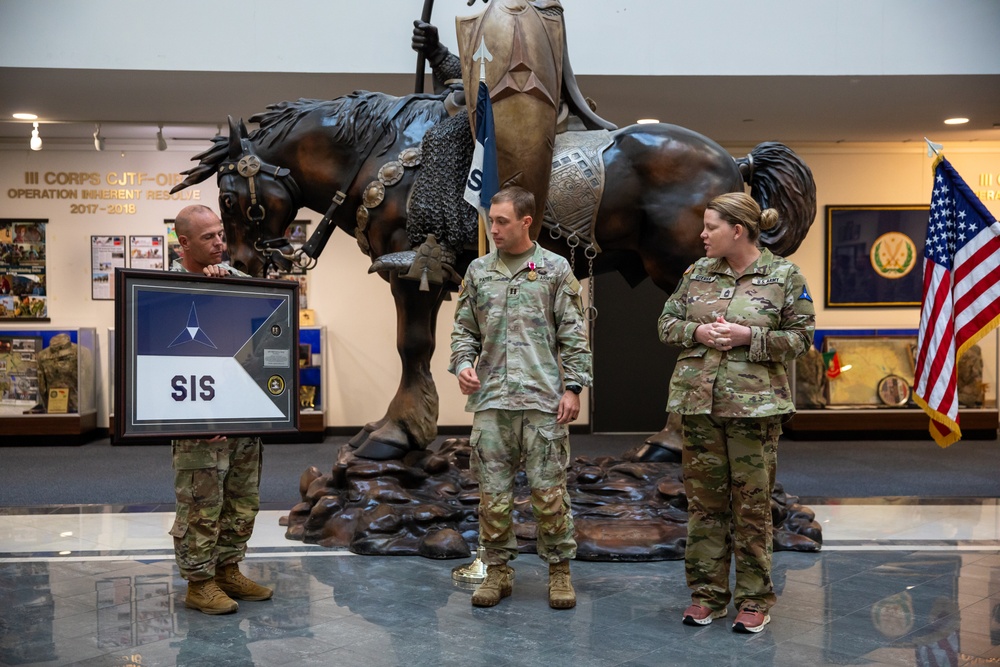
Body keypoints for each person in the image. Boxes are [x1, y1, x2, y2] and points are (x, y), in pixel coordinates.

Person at [657, 192, 815, 633]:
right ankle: (707, 596)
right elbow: (666, 324)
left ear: (737, 231)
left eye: (710, 227)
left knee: (752, 507)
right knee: (704, 506)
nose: (702, 235)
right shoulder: (697, 273)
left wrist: (750, 336)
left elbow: (802, 337)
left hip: (754, 409)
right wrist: (698, 330)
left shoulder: (784, 275)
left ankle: (753, 600)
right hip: (698, 405)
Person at [450, 186, 592, 609]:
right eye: (491, 220)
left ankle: (559, 572)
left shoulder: (554, 269)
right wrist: (462, 365)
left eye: (502, 221)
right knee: (493, 496)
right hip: (492, 403)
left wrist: (574, 388)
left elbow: (574, 336)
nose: (493, 228)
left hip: (543, 402)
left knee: (549, 496)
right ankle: (496, 571)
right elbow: (464, 331)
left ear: (526, 221)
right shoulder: (478, 271)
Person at [168, 204, 272, 615]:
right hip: (196, 416)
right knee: (201, 500)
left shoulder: (239, 282)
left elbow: (262, 345)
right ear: (184, 242)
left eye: (221, 235)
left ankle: (228, 568)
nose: (219, 243)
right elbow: (156, 359)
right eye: (208, 237)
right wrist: (195, 417)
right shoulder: (160, 287)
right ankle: (199, 582)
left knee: (242, 496)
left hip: (241, 415)